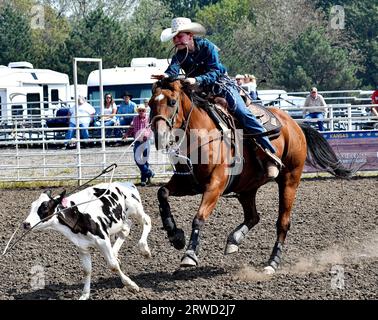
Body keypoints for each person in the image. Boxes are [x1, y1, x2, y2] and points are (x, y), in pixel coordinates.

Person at [154, 17, 282, 178]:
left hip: (220, 86)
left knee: (242, 113)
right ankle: (187, 160)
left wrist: (197, 79)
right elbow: (173, 70)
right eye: (175, 37)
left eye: (179, 36)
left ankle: (270, 153)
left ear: (190, 35)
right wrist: (165, 75)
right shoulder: (179, 55)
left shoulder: (207, 47)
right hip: (198, 90)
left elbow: (215, 71)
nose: (176, 40)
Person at [123, 104, 154, 186]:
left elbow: (150, 130)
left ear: (145, 111)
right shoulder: (135, 119)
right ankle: (149, 172)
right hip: (137, 141)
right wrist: (127, 134)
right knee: (137, 159)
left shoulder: (148, 119)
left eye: (143, 110)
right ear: (138, 111)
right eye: (140, 110)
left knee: (144, 160)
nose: (141, 112)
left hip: (145, 141)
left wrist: (146, 136)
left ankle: (144, 180)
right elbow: (131, 128)